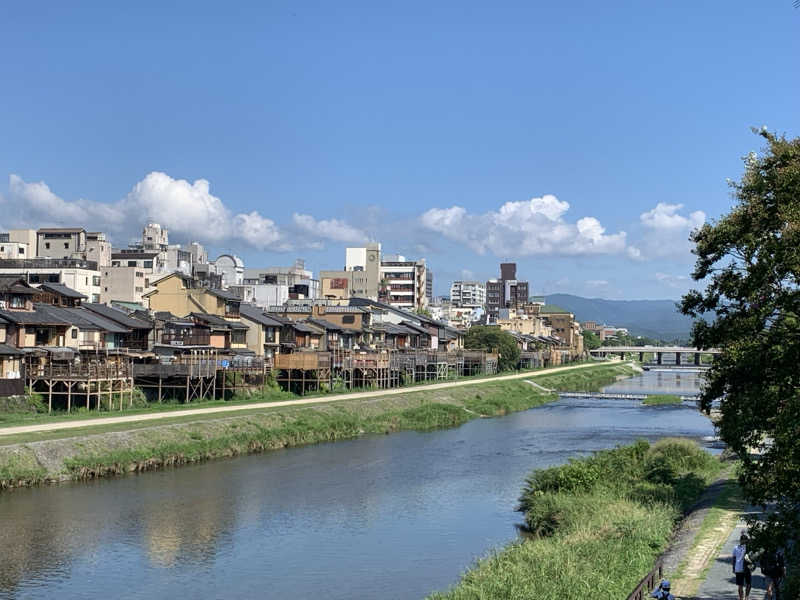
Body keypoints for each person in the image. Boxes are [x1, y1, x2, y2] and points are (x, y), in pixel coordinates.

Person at [732, 533, 753, 600]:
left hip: (738, 569)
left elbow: (734, 558)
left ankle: (741, 598)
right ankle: (746, 597)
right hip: (746, 568)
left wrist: (733, 568)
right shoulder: (748, 548)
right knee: (748, 584)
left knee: (740, 585)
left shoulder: (736, 548)